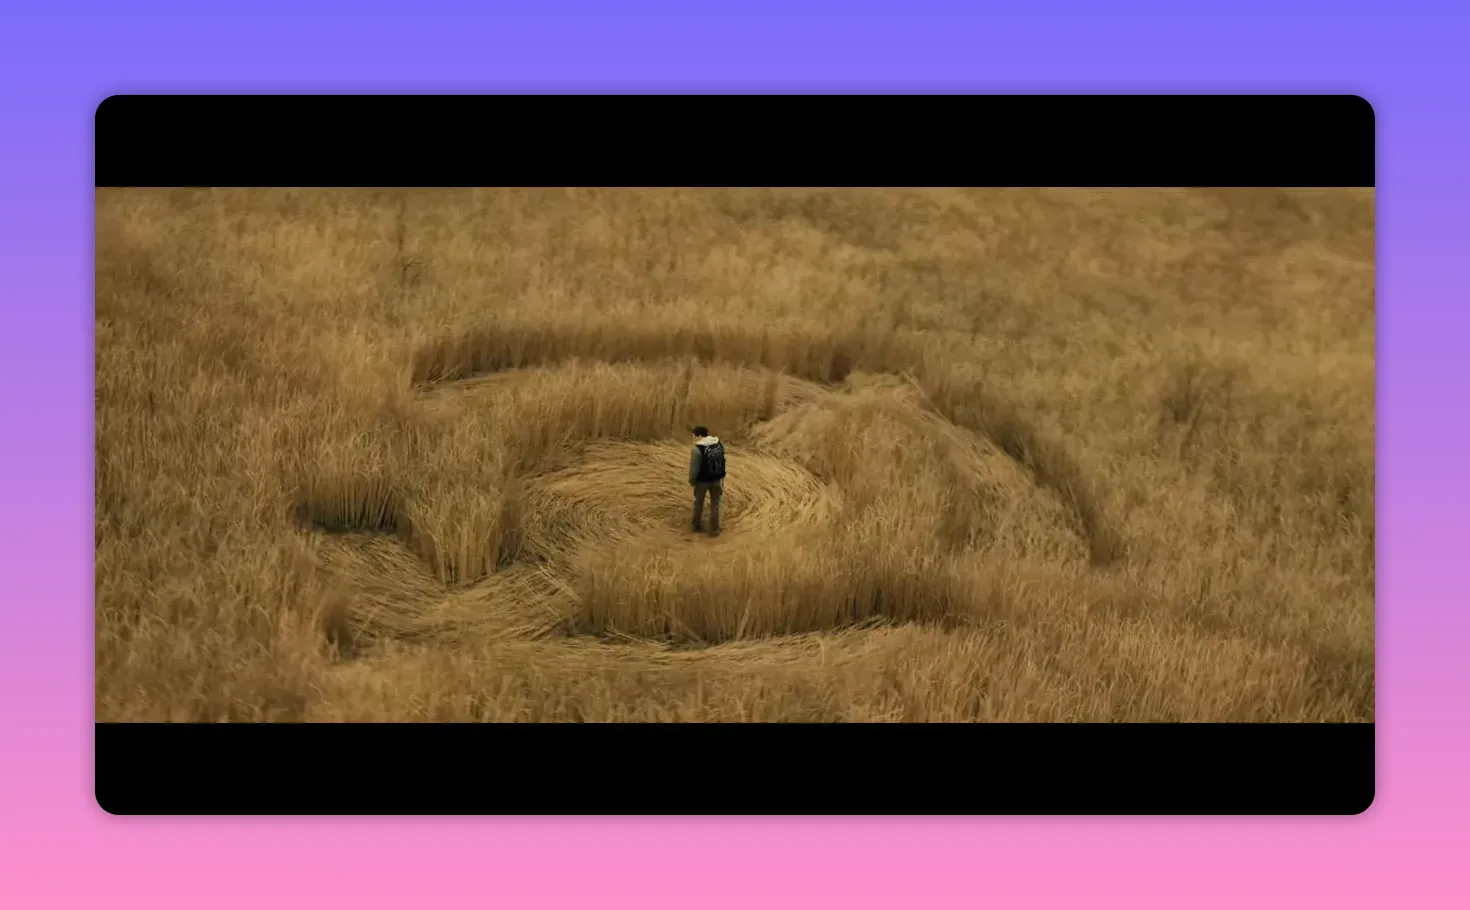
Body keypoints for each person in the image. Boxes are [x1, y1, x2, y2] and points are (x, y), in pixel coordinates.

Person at [688, 426, 726, 537]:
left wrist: (692, 480)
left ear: (699, 435)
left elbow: (694, 468)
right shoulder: (718, 443)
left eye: (694, 435)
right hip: (716, 479)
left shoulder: (697, 449)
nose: (693, 438)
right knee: (715, 504)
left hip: (702, 481)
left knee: (699, 503)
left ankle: (696, 526)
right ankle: (714, 529)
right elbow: (722, 460)